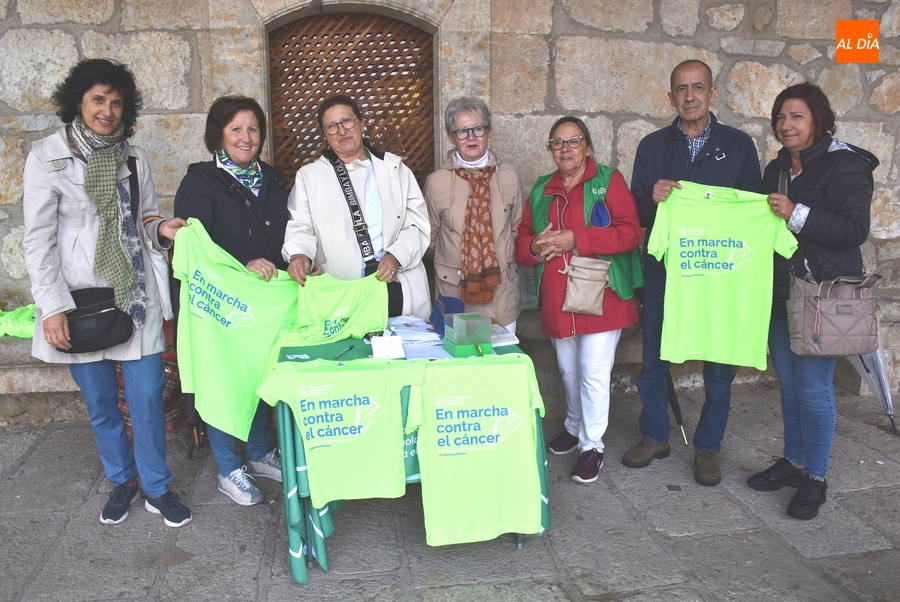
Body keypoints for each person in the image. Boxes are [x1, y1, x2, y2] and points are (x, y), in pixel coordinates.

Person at [22, 59, 192, 527]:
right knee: (100, 403)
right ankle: (122, 480)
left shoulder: (134, 158)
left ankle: (157, 488)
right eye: (99, 99)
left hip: (133, 296)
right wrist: (52, 307)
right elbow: (38, 241)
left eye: (116, 102)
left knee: (147, 398)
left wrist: (165, 230)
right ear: (78, 101)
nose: (108, 110)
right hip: (80, 302)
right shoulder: (47, 157)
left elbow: (145, 220)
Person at [624, 59, 763, 486]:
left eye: (697, 87)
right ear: (671, 98)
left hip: (718, 275)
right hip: (665, 271)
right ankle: (655, 436)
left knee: (719, 364)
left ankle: (708, 447)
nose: (690, 96)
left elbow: (750, 209)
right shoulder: (651, 146)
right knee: (654, 357)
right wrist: (652, 196)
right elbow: (634, 211)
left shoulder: (739, 146)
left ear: (712, 93)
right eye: (681, 89)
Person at [747, 83, 877, 519]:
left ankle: (815, 477)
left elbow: (853, 230)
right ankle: (795, 460)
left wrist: (796, 213)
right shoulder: (777, 168)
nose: (787, 125)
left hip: (822, 295)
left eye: (797, 116)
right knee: (788, 381)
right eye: (781, 117)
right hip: (782, 292)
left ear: (819, 119)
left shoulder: (846, 166)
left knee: (813, 387)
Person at [515, 117, 642, 484]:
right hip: (558, 297)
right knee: (569, 370)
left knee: (592, 371)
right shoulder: (541, 190)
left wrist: (577, 238)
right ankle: (572, 426)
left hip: (602, 295)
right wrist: (536, 245)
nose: (565, 149)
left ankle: (592, 445)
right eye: (557, 142)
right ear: (550, 150)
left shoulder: (608, 181)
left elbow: (630, 234)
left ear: (587, 145)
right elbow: (522, 244)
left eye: (573, 141)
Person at [173, 96, 286, 506]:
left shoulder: (272, 178)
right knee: (223, 381)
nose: (246, 137)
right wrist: (243, 262)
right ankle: (227, 467)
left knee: (256, 373)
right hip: (219, 304)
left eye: (253, 129)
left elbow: (287, 236)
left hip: (260, 301)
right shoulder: (201, 181)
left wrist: (299, 261)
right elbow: (193, 244)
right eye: (236, 128)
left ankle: (257, 453)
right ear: (218, 134)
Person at [283, 94, 431, 319]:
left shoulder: (395, 169)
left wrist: (396, 255)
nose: (341, 131)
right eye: (331, 126)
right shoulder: (310, 176)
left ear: (361, 123)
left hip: (395, 283)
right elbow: (301, 226)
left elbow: (417, 224)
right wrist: (300, 255)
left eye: (347, 121)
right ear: (325, 135)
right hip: (342, 291)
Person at [424, 97, 523, 331]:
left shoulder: (508, 175)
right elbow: (429, 239)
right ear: (451, 137)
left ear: (489, 132)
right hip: (456, 294)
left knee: (502, 362)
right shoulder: (436, 182)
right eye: (462, 131)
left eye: (478, 129)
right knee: (462, 364)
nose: (471, 137)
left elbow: (517, 227)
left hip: (501, 294)